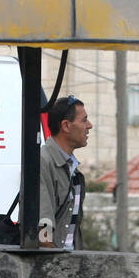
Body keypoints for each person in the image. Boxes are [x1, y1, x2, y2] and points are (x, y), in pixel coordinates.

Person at [38, 95, 90, 249]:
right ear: (66, 126)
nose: (89, 125)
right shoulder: (42, 162)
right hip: (52, 266)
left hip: (70, 265)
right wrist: (52, 262)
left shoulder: (73, 170)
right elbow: (42, 226)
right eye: (84, 120)